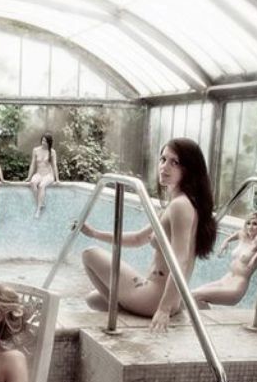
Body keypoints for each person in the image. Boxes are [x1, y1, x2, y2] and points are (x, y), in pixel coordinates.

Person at [78, 137, 216, 331]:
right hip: (161, 295)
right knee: (93, 299)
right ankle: (122, 309)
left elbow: (181, 260)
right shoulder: (177, 204)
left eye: (174, 162)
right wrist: (94, 233)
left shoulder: (181, 206)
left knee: (89, 254)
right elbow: (137, 239)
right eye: (163, 159)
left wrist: (164, 309)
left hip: (155, 297)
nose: (164, 167)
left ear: (189, 169)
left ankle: (121, 311)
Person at [192, 212, 257, 308]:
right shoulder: (242, 235)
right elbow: (232, 237)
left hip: (236, 287)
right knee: (191, 295)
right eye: (248, 223)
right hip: (225, 280)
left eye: (255, 224)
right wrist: (225, 242)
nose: (250, 227)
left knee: (194, 297)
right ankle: (208, 315)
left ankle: (205, 316)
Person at [26, 132, 59, 218]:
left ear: (49, 142)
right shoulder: (36, 150)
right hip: (39, 174)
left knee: (41, 186)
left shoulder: (52, 152)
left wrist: (57, 179)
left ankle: (38, 209)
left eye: (45, 141)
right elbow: (32, 164)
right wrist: (29, 177)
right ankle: (41, 203)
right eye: (43, 140)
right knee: (32, 183)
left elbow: (54, 166)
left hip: (48, 175)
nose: (43, 143)